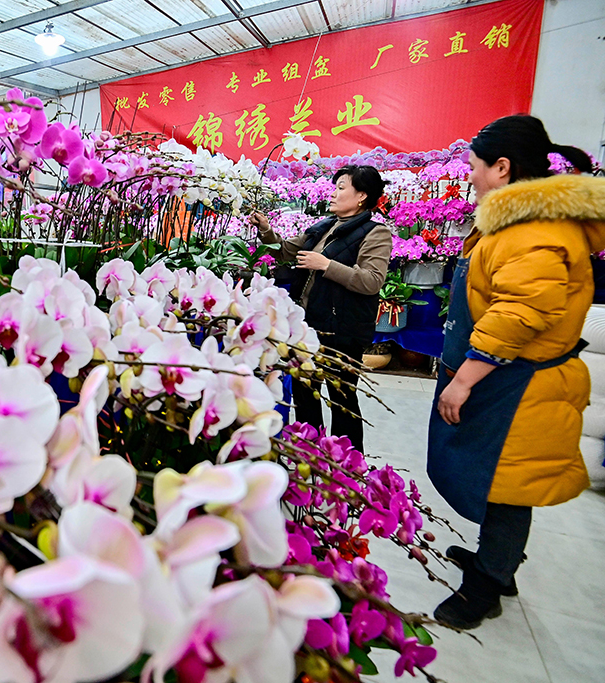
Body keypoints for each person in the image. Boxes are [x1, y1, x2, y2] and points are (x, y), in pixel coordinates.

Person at [427, 114, 605, 629]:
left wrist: (464, 380)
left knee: (508, 488)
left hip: (520, 384)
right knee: (493, 477)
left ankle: (489, 584)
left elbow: (522, 311)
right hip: (505, 377)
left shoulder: (536, 229)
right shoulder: (519, 223)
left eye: (476, 167)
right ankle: (494, 561)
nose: (472, 177)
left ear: (502, 168)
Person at [252, 165, 392, 451]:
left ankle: (347, 465)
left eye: (342, 188)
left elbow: (372, 281)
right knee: (305, 394)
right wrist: (266, 230)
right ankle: (311, 455)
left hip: (342, 330)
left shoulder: (375, 233)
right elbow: (285, 249)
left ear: (362, 196)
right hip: (308, 326)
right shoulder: (324, 227)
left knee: (342, 399)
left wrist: (326, 265)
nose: (334, 193)